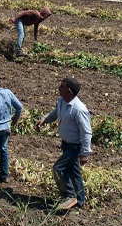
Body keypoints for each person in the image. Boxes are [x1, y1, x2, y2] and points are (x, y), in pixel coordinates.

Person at [35, 78, 92, 210]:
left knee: (58, 169)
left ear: (69, 91)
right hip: (66, 144)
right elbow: (55, 113)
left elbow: (86, 132)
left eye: (62, 87)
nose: (59, 88)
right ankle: (80, 200)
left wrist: (85, 153)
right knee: (74, 171)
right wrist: (44, 120)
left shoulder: (79, 109)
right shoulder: (61, 101)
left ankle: (70, 195)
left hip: (74, 146)